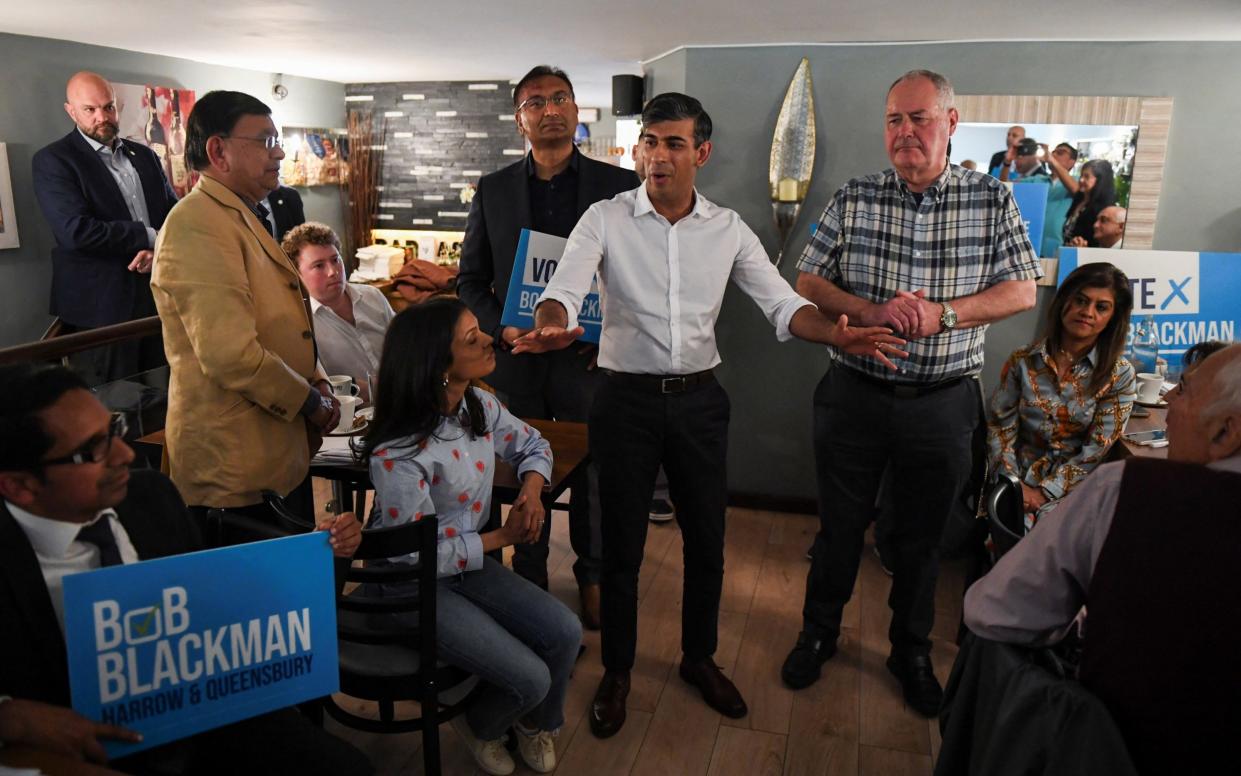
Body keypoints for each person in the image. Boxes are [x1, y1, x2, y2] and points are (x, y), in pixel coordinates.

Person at [516, 92, 906, 738]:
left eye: (674, 143)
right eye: (650, 141)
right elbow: (563, 290)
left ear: (701, 153)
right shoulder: (604, 219)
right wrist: (552, 323)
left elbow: (783, 306)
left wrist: (837, 334)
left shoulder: (726, 228)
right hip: (624, 402)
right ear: (638, 149)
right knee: (621, 548)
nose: (658, 156)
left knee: (707, 544)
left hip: (699, 403)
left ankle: (698, 658)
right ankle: (618, 670)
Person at [781, 70, 1040, 716]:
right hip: (854, 395)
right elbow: (808, 277)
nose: (904, 132)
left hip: (942, 401)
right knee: (838, 527)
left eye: (918, 118)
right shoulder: (856, 195)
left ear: (950, 123)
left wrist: (942, 315)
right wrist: (867, 312)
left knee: (922, 539)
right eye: (893, 119)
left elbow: (1021, 290)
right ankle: (818, 632)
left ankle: (910, 650)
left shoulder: (991, 200)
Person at [0, 363, 368, 775]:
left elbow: (208, 611)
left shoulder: (151, 497)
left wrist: (314, 557)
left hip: (212, 717)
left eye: (115, 430)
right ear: (19, 486)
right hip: (93, 752)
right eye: (93, 451)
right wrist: (12, 717)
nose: (125, 454)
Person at [963, 344, 1241, 776]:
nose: (1167, 399)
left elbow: (992, 613)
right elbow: (1001, 428)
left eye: (1183, 389)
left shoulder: (1129, 491)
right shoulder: (1023, 361)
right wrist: (1019, 482)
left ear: (1227, 432)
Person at [361, 298, 581, 776]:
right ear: (437, 364)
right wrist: (501, 535)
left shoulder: (476, 404)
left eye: (480, 330)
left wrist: (533, 488)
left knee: (565, 632)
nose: (488, 339)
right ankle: (480, 723)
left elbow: (533, 443)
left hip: (464, 563)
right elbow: (410, 558)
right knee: (531, 675)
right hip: (409, 582)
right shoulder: (398, 450)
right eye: (471, 339)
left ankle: (533, 724)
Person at [457, 65, 639, 627]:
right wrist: (504, 331)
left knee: (594, 474)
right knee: (516, 472)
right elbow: (469, 280)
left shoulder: (619, 187)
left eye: (560, 97)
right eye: (536, 102)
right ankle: (528, 576)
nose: (550, 109)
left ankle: (593, 576)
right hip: (519, 360)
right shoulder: (493, 190)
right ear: (521, 121)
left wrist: (607, 333)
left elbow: (637, 276)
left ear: (577, 110)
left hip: (588, 360)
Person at [151, 91, 339, 522]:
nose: (278, 154)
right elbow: (230, 354)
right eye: (266, 141)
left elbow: (285, 321)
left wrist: (319, 380)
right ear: (218, 150)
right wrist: (310, 401)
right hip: (232, 465)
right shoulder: (196, 225)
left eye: (278, 142)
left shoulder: (241, 213)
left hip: (273, 452)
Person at [32, 71, 179, 385]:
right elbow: (76, 231)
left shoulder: (146, 157)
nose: (102, 116)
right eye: (90, 109)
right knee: (115, 410)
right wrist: (149, 236)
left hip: (158, 301)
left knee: (168, 402)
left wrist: (159, 250)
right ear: (71, 111)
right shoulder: (54, 161)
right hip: (100, 310)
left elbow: (175, 217)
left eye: (108, 107)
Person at [986, 262, 1135, 525]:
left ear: (1113, 317)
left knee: (1043, 535)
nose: (1087, 312)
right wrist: (1013, 484)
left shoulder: (1119, 375)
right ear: (1064, 301)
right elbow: (1000, 428)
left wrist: (1045, 492)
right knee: (1008, 528)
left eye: (1101, 307)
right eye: (1080, 300)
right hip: (1016, 477)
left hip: (1075, 488)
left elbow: (1097, 450)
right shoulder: (1023, 360)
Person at [285, 222, 394, 401]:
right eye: (319, 265)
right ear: (296, 274)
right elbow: (313, 386)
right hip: (350, 419)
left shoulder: (372, 296)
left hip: (404, 405)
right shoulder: (300, 323)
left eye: (335, 260)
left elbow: (404, 348)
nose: (333, 271)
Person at [1062, 159, 1115, 248]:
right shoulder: (1078, 200)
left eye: (1086, 177)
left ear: (1099, 180)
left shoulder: (1103, 209)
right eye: (1081, 176)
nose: (1081, 180)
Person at [1039, 142, 1080, 257]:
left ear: (1072, 162)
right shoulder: (1038, 179)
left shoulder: (1078, 180)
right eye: (1053, 152)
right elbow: (1007, 187)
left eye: (1060, 152)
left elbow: (1076, 191)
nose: (1054, 154)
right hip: (1031, 242)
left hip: (1057, 245)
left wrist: (1051, 160)